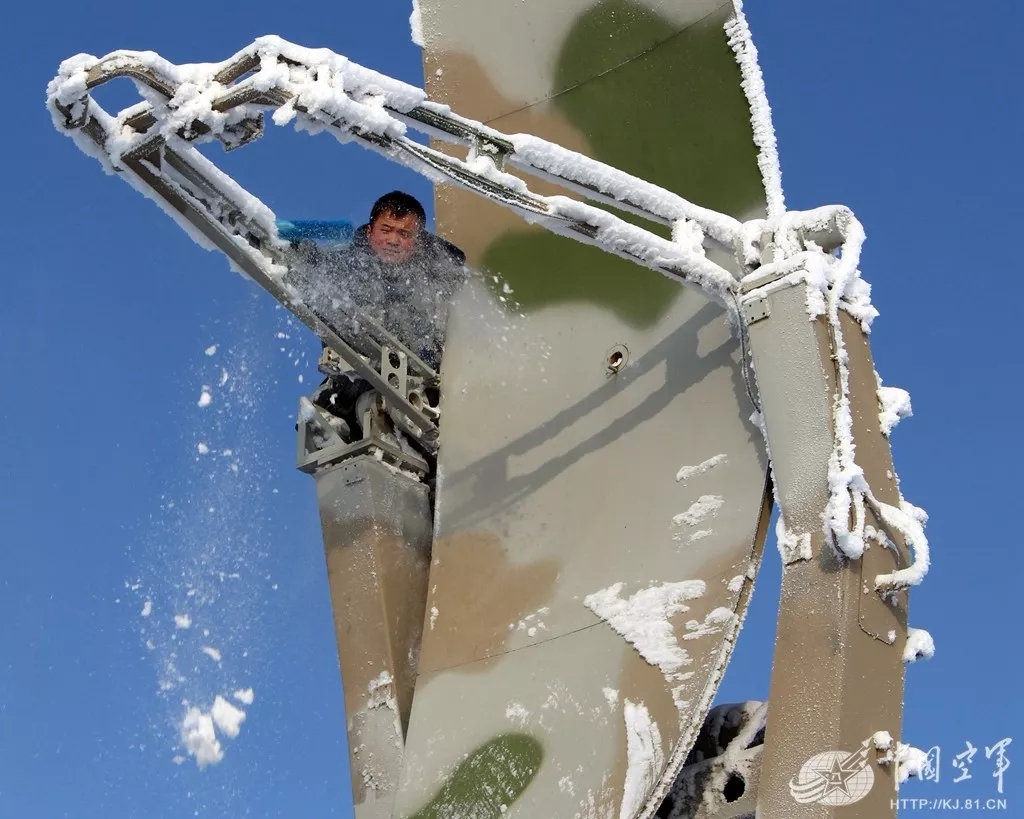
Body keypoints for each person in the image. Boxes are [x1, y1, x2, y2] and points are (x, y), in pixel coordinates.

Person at [281, 191, 467, 440]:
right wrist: (283, 242)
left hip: (421, 395)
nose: (393, 240)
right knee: (320, 423)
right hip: (352, 385)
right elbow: (307, 267)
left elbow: (461, 279)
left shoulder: (436, 277)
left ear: (418, 241)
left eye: (404, 234)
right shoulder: (347, 266)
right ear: (370, 231)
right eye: (386, 229)